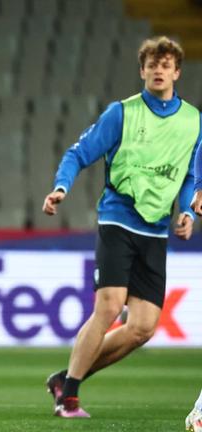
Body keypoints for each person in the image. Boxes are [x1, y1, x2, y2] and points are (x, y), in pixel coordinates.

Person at [41, 36, 202, 418]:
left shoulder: (193, 121)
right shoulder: (122, 113)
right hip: (118, 219)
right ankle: (70, 399)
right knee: (109, 306)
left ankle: (67, 378)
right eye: (152, 64)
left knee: (143, 327)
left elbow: (190, 177)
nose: (159, 70)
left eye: (166, 64)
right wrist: (61, 186)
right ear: (142, 70)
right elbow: (79, 153)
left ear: (177, 72)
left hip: (155, 230)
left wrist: (187, 212)